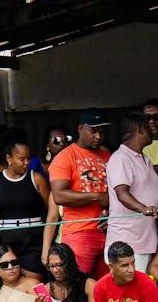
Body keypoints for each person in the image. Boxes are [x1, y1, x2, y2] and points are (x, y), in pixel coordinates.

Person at [0, 132, 50, 282]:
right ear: (9, 159)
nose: (27, 162)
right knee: (6, 285)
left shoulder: (37, 178)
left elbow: (52, 210)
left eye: (28, 158)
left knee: (34, 284)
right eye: (22, 159)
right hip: (6, 239)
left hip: (32, 239)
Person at [46, 109, 111, 278]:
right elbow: (59, 195)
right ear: (81, 128)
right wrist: (96, 196)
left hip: (108, 231)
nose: (98, 136)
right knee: (77, 286)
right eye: (93, 131)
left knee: (106, 288)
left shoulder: (107, 156)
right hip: (78, 233)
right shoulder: (65, 157)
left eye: (102, 131)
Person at [106, 113, 158, 282]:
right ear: (139, 129)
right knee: (126, 294)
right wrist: (144, 208)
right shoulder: (120, 158)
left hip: (144, 238)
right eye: (147, 126)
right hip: (127, 240)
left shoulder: (145, 159)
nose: (152, 129)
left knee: (139, 291)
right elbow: (122, 193)